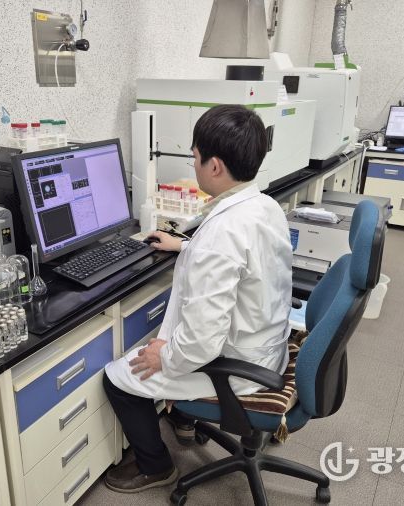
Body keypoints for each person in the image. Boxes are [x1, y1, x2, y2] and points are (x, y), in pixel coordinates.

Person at [103, 104, 293, 493]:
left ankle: (156, 466)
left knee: (118, 377)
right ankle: (183, 420)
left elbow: (202, 342)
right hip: (267, 349)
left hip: (236, 369)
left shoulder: (221, 234)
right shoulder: (264, 205)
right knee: (164, 341)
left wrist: (165, 357)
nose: (193, 165)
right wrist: (186, 246)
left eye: (194, 157)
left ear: (215, 166)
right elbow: (242, 262)